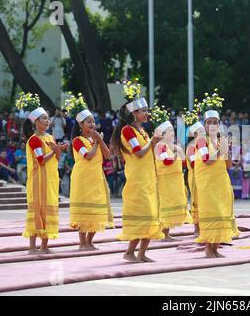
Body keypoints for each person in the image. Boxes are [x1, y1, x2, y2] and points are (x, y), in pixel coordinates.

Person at [110, 83, 164, 263]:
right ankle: (129, 252)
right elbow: (139, 152)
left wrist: (154, 142)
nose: (147, 114)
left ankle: (141, 253)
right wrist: (153, 141)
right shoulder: (128, 130)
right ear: (134, 113)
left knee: (151, 215)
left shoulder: (142, 130)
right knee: (143, 215)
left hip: (147, 177)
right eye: (143, 111)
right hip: (137, 179)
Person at [20, 98, 69, 254]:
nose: (48, 121)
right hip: (38, 180)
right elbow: (40, 160)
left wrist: (59, 149)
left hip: (50, 179)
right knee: (37, 209)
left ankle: (45, 246)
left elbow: (56, 158)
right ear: (36, 122)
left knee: (48, 209)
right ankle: (32, 247)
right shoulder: (34, 140)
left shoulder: (49, 137)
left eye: (48, 118)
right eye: (44, 119)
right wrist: (55, 150)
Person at [194, 94, 239, 258]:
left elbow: (228, 165)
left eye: (215, 122)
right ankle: (208, 248)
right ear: (204, 125)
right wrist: (222, 150)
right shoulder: (201, 140)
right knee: (211, 213)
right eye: (209, 122)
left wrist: (227, 150)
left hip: (221, 183)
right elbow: (207, 160)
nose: (212, 125)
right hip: (208, 184)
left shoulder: (220, 141)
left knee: (221, 213)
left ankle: (215, 247)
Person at [67, 99, 114, 251]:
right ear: (81, 125)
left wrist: (100, 141)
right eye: (88, 122)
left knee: (97, 209)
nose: (92, 124)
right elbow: (87, 156)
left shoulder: (96, 139)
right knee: (84, 209)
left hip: (96, 176)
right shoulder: (77, 141)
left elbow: (107, 156)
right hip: (83, 178)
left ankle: (89, 241)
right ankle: (82, 243)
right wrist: (96, 142)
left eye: (93, 122)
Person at [154, 116, 190, 242]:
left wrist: (180, 151)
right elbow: (167, 161)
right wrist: (177, 153)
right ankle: (163, 232)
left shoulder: (172, 146)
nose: (173, 133)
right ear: (163, 134)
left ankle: (166, 232)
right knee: (166, 204)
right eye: (170, 131)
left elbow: (185, 161)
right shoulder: (160, 146)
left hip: (175, 180)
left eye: (173, 131)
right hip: (166, 181)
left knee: (174, 203)